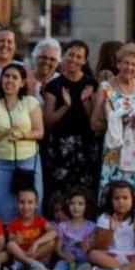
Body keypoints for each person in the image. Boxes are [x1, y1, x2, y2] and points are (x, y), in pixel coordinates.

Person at [92, 44, 135, 207]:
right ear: (118, 64)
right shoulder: (105, 88)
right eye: (126, 63)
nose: (129, 67)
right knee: (113, 201)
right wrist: (115, 121)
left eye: (134, 64)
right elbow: (94, 123)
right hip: (115, 152)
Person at [0, 63, 44, 223]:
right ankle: (5, 238)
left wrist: (22, 135)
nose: (9, 80)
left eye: (14, 77)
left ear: (22, 83)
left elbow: (40, 132)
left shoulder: (30, 102)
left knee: (31, 203)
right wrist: (4, 133)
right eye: (6, 76)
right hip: (0, 161)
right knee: (0, 205)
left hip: (27, 161)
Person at [43, 40, 98, 208]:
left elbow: (95, 122)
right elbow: (48, 121)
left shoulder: (91, 84)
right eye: (70, 55)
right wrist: (66, 106)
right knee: (60, 189)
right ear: (64, 56)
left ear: (84, 61)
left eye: (78, 56)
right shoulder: (54, 85)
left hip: (85, 145)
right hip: (60, 145)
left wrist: (86, 102)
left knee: (83, 189)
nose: (73, 59)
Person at [4, 188, 58, 270]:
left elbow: (54, 232)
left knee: (52, 242)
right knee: (10, 245)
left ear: (36, 203)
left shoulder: (40, 220)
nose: (25, 207)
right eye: (22, 202)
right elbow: (10, 241)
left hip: (35, 253)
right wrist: (15, 239)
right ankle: (35, 265)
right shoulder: (14, 222)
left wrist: (36, 243)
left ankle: (26, 265)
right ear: (16, 203)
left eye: (30, 202)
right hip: (21, 255)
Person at [51, 187, 96, 270]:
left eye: (80, 204)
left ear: (86, 206)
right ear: (67, 205)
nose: (75, 207)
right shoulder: (62, 226)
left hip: (83, 259)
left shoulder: (91, 226)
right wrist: (64, 256)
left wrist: (88, 246)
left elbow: (93, 246)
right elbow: (58, 247)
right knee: (61, 264)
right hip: (67, 258)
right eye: (72, 203)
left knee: (85, 266)